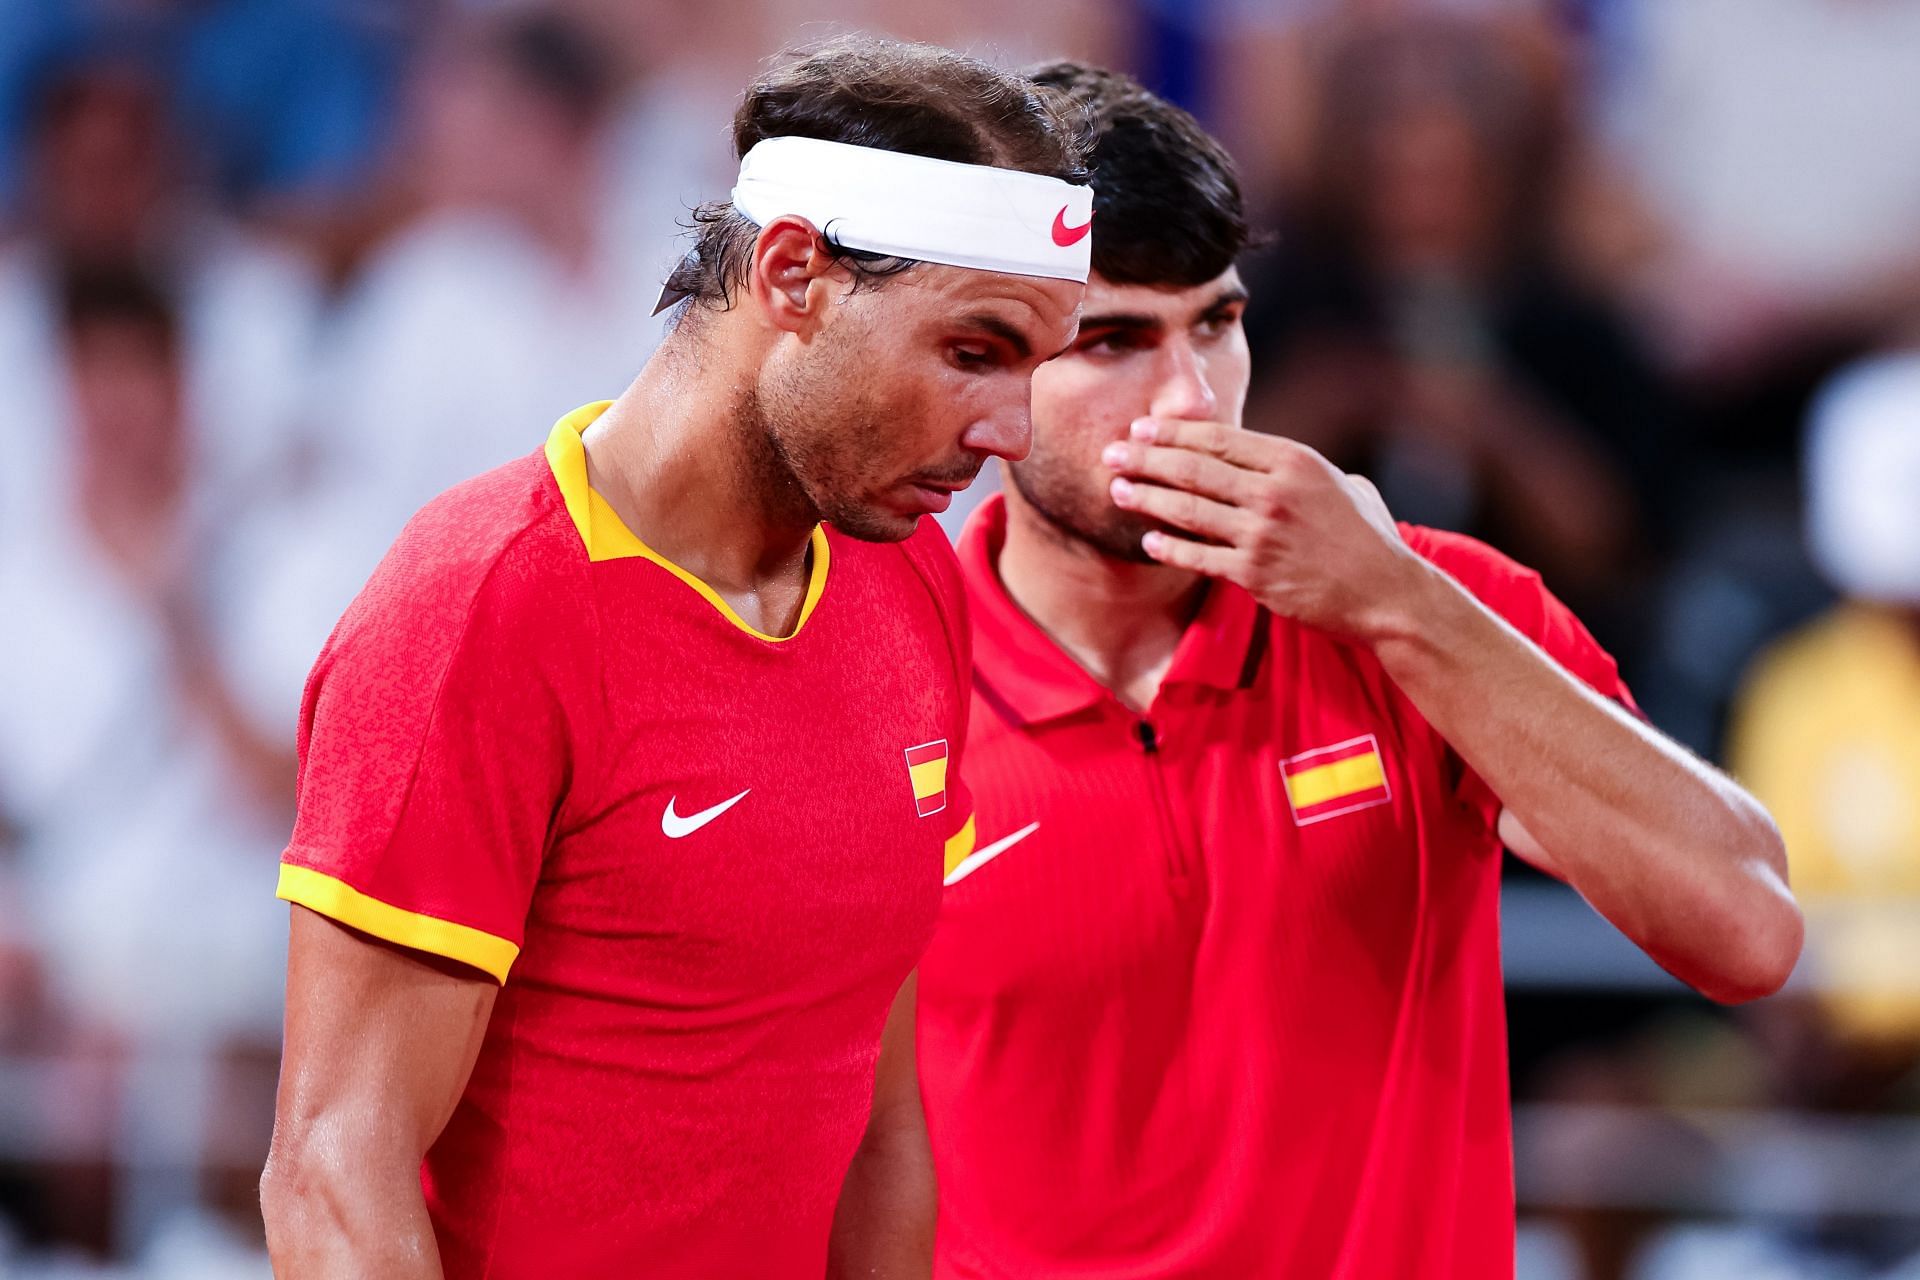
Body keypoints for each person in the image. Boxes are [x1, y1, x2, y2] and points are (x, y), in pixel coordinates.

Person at [910, 62, 1801, 1278]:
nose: (1190, 398)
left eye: (1216, 322)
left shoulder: (1439, 603)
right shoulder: (877, 671)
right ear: (982, 362)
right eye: (1115, 338)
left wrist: (1393, 602)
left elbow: (1747, 928)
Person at [258, 37, 1090, 1279]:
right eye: (973, 352)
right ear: (793, 272)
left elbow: (880, 1116)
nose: (1010, 432)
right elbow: (335, 1172)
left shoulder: (911, 573)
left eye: (1036, 367)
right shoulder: (480, 606)